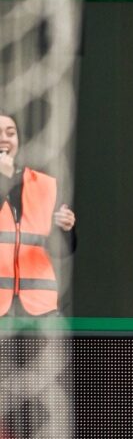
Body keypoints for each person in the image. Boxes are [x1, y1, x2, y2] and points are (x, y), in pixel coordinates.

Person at [0, 113, 76, 317]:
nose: (4, 139)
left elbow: (65, 249)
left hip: (39, 308)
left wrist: (67, 228)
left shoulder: (44, 185)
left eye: (11, 133)